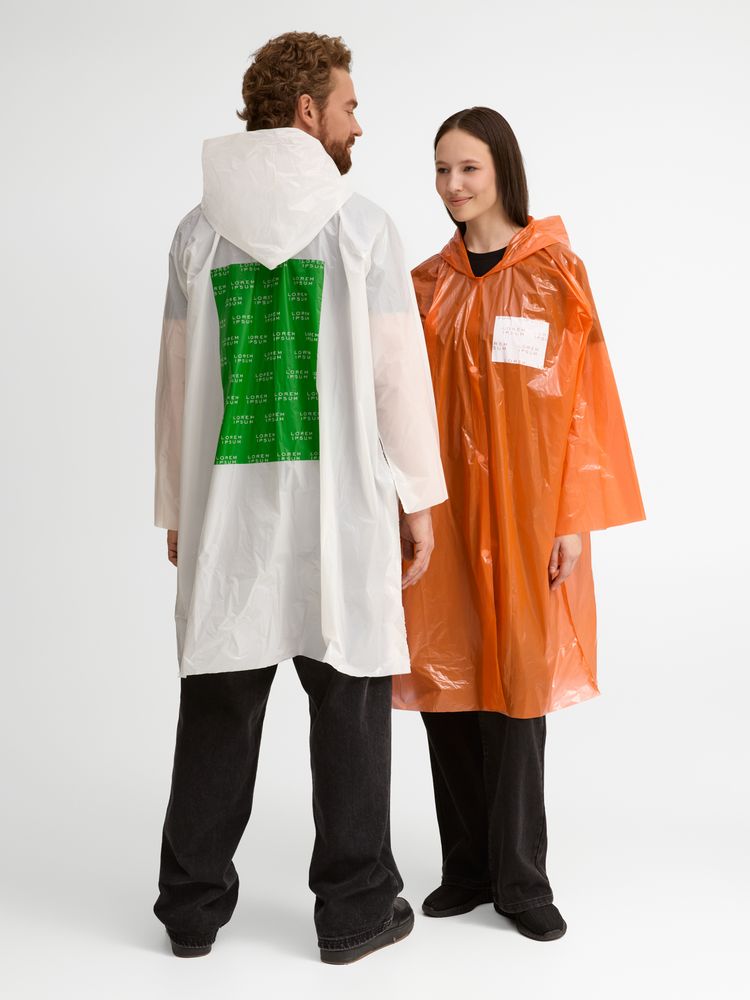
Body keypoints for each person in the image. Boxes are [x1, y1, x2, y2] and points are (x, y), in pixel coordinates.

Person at [153, 32, 447, 964]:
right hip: (341, 505)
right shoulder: (362, 229)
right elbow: (397, 378)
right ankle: (355, 910)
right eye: (349, 106)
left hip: (227, 511)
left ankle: (191, 910)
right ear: (307, 111)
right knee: (350, 701)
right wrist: (418, 498)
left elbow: (175, 383)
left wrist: (176, 508)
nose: (360, 123)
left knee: (219, 703)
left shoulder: (196, 234)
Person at [393, 107, 645, 942]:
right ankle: (466, 867)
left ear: (502, 167)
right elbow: (400, 403)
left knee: (518, 685)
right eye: (441, 169)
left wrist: (572, 518)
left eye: (468, 167)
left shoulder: (555, 273)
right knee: (447, 682)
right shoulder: (425, 285)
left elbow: (587, 402)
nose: (452, 184)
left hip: (529, 512)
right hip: (444, 514)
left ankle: (522, 880)